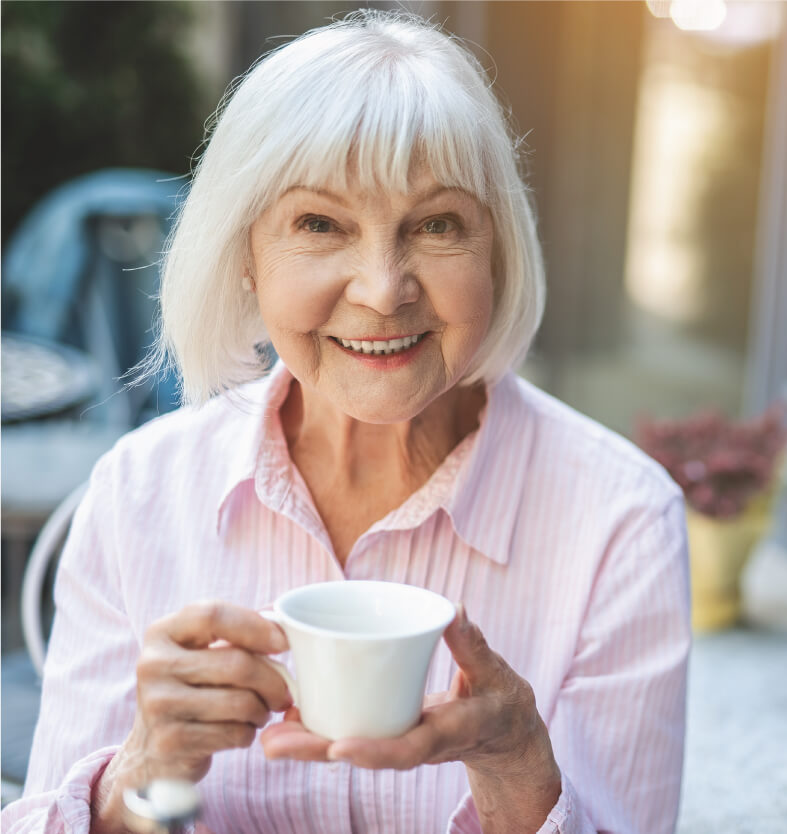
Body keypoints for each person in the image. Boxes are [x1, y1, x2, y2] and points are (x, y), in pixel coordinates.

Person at [2, 11, 690, 834]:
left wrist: (517, 768)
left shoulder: (622, 520)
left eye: (437, 224)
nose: (381, 287)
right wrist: (143, 774)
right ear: (245, 257)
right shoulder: (139, 492)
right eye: (320, 225)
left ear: (496, 255)